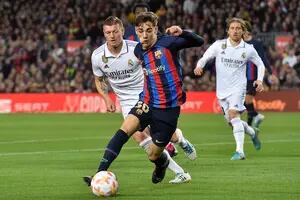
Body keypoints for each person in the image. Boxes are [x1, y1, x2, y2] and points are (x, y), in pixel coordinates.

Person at [85, 12, 204, 185]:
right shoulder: (111, 54)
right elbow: (99, 78)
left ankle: (178, 145)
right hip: (144, 100)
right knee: (127, 132)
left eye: (115, 32)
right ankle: (98, 173)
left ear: (122, 31)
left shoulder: (138, 48)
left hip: (164, 105)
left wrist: (182, 32)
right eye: (108, 32)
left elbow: (197, 42)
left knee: (155, 152)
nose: (112, 36)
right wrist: (106, 97)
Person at [124, 2, 194, 158]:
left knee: (162, 130)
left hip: (156, 82)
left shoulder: (157, 32)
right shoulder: (128, 33)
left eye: (144, 12)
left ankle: (179, 141)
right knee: (137, 130)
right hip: (138, 81)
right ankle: (165, 150)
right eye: (138, 13)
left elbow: (167, 48)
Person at [194, 17, 264, 160]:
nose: (235, 31)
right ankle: (252, 133)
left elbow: (260, 64)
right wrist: (199, 66)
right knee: (232, 122)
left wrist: (259, 80)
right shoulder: (219, 45)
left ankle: (240, 151)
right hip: (222, 90)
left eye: (238, 28)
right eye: (232, 28)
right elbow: (205, 57)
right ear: (228, 30)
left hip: (238, 88)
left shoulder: (248, 49)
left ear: (243, 31)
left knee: (234, 114)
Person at [243, 20, 277, 128]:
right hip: (241, 77)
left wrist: (271, 72)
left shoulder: (256, 43)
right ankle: (251, 119)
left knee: (246, 100)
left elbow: (263, 58)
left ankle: (254, 116)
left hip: (252, 76)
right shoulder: (240, 43)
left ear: (246, 31)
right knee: (245, 101)